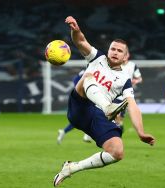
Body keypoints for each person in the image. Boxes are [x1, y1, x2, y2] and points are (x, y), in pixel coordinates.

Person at [53, 16, 155, 187]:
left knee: (117, 151)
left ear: (125, 58)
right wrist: (75, 30)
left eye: (119, 51)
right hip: (79, 106)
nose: (115, 52)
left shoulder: (125, 79)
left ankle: (71, 168)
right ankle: (108, 108)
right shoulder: (97, 58)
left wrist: (141, 132)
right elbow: (81, 41)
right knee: (88, 76)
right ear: (108, 51)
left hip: (97, 115)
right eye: (112, 48)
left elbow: (133, 106)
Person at [56, 70, 93, 144]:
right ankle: (87, 134)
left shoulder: (90, 69)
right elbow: (77, 81)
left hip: (83, 96)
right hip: (82, 97)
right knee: (90, 115)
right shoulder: (89, 70)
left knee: (78, 120)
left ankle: (63, 131)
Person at [113, 52, 143, 132]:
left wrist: (135, 81)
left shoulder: (133, 65)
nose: (124, 56)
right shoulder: (116, 65)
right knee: (116, 115)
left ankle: (119, 128)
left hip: (127, 94)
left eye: (126, 55)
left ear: (128, 56)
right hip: (116, 94)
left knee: (120, 118)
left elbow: (140, 79)